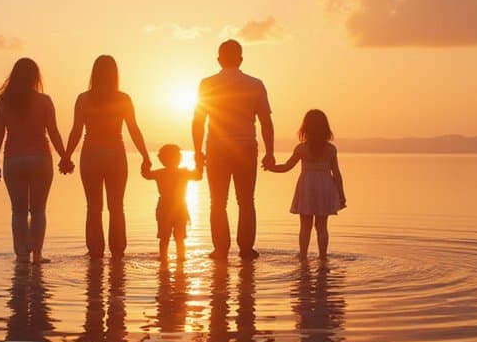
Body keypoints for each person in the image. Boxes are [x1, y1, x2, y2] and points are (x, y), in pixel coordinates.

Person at [61, 55, 151, 259]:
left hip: (91, 155)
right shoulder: (123, 98)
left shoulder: (83, 99)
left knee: (93, 208)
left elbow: (76, 130)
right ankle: (118, 253)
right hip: (115, 156)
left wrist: (66, 156)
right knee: (116, 206)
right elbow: (134, 129)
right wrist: (145, 156)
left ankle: (95, 253)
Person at [192, 39, 275, 261]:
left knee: (217, 202)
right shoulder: (255, 84)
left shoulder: (207, 84)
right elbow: (266, 121)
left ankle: (220, 250)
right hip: (246, 147)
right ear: (240, 59)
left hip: (217, 148)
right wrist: (270, 152)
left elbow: (198, 120)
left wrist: (197, 152)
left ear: (219, 59)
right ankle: (246, 250)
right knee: (246, 201)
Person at [0, 57, 69, 264]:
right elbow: (53, 132)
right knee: (38, 210)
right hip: (40, 159)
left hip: (13, 160)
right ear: (35, 77)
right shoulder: (44, 101)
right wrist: (65, 157)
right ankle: (37, 254)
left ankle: (21, 256)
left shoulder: (3, 102)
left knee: (18, 211)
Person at [265, 109, 347, 260]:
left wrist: (271, 168)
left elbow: (286, 167)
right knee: (322, 226)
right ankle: (322, 256)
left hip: (307, 187)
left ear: (305, 129)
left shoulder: (302, 149)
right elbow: (336, 174)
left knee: (305, 225)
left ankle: (303, 255)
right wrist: (341, 194)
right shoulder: (331, 150)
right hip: (325, 187)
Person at [142, 144, 204, 261]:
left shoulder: (160, 173)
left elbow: (146, 174)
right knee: (179, 239)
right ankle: (180, 259)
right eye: (179, 156)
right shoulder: (184, 173)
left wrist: (146, 162)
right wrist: (199, 163)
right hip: (179, 208)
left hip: (165, 208)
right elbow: (198, 176)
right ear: (177, 158)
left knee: (164, 238)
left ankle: (163, 259)